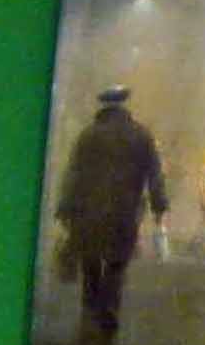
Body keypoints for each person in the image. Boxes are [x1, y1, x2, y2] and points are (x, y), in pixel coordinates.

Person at [55, 85, 169, 331]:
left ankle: (90, 307)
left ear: (103, 107)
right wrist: (159, 205)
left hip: (88, 210)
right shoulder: (141, 135)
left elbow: (73, 173)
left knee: (90, 260)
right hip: (125, 211)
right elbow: (155, 174)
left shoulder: (88, 136)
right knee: (117, 262)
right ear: (125, 106)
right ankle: (109, 306)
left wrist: (65, 207)